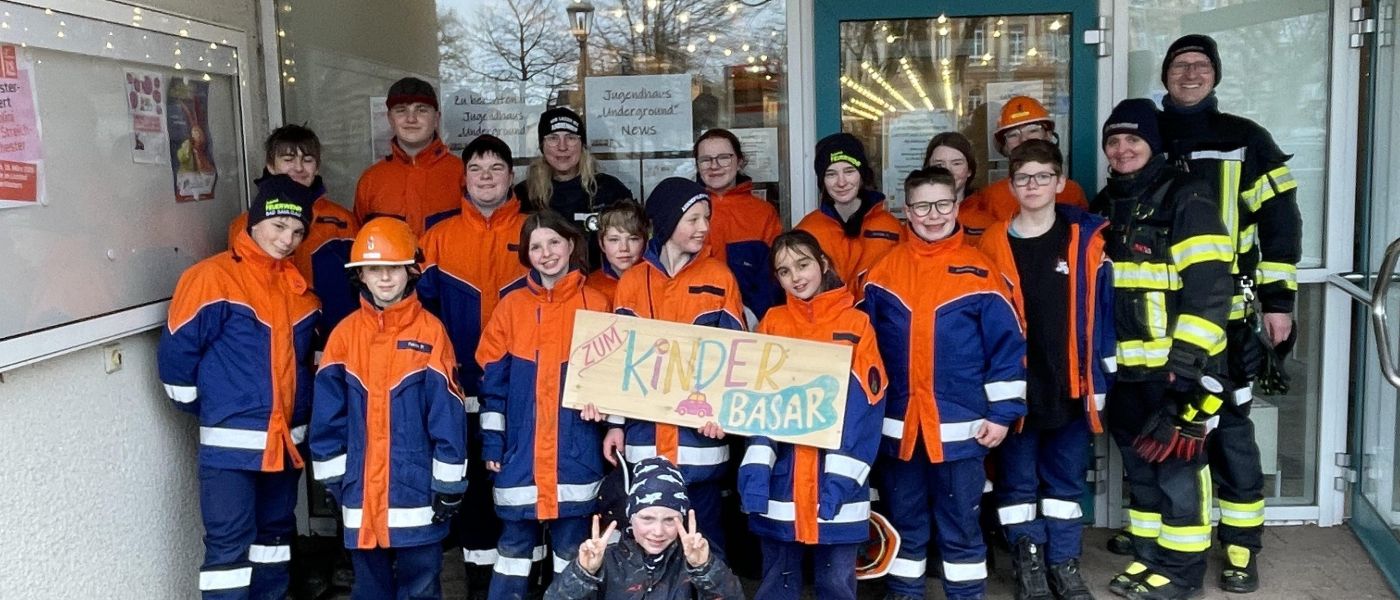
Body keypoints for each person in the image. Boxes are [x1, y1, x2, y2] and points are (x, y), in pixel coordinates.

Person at [1155, 34, 1303, 594]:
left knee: (1229, 431)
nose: (1189, 74)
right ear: (1165, 75)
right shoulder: (1148, 135)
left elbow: (1280, 223)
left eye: (1200, 67)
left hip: (1227, 312)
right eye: (1179, 66)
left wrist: (1278, 302)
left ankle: (1241, 543)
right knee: (1168, 426)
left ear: (1214, 76)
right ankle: (1167, 533)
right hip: (1159, 316)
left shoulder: (1246, 138)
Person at [862, 166, 1028, 600]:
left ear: (957, 205)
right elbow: (861, 352)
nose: (932, 215)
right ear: (906, 210)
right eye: (922, 206)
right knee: (905, 526)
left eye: (942, 204)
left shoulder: (980, 271)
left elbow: (1007, 349)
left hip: (962, 431)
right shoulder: (882, 272)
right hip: (898, 432)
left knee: (961, 529)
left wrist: (1003, 414)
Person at [158, 174, 321, 599]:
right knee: (228, 549)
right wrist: (213, 406)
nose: (288, 239)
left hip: (285, 443)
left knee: (274, 541)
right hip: (231, 445)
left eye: (298, 231)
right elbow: (177, 360)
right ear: (254, 222)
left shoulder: (301, 293)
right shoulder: (210, 278)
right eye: (279, 226)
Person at [1095, 98, 1233, 600]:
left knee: (1180, 473)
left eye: (1133, 139)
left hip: (1177, 372)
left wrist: (1188, 365)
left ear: (1152, 144)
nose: (1123, 148)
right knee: (1141, 471)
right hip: (1126, 374)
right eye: (1114, 140)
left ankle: (1182, 574)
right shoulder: (1103, 205)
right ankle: (1149, 560)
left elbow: (1211, 289)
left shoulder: (1187, 197)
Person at [976, 139, 1115, 600]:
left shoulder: (1084, 240)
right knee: (1016, 483)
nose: (1032, 185)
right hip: (1016, 385)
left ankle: (1064, 563)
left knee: (1065, 481)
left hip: (1069, 383)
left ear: (1059, 182)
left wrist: (1100, 377)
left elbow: (1105, 313)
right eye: (1022, 177)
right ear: (1010, 185)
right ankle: (1029, 562)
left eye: (1042, 176)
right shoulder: (993, 242)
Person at [310, 217, 468, 600]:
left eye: (394, 268)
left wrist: (448, 485)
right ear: (359, 275)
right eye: (375, 269)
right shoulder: (344, 335)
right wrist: (333, 482)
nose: (385, 279)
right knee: (369, 590)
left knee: (422, 588)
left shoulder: (430, 332)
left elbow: (448, 417)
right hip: (361, 494)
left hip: (415, 494)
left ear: (410, 271)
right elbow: (327, 419)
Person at [739, 230, 887, 600]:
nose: (796, 277)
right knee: (777, 582)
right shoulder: (773, 323)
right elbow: (757, 407)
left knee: (837, 584)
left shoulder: (855, 325)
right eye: (785, 271)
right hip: (782, 484)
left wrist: (839, 484)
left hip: (835, 483)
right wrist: (756, 479)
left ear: (823, 263)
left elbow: (864, 413)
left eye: (803, 264)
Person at [477, 211, 612, 600]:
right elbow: (493, 386)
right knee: (514, 551)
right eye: (535, 246)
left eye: (554, 242)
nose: (546, 252)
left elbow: (614, 381)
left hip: (576, 453)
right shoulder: (510, 307)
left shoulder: (597, 303)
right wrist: (491, 444)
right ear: (526, 255)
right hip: (521, 457)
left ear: (572, 244)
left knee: (572, 551)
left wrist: (606, 413)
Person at [416, 134, 530, 595]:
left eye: (496, 168)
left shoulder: (532, 231)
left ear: (511, 176)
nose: (486, 177)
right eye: (477, 169)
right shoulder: (439, 235)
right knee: (474, 487)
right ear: (463, 179)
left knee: (518, 479)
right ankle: (480, 582)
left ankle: (527, 576)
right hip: (461, 384)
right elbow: (417, 311)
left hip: (519, 384)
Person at [609, 177, 746, 556]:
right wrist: (616, 425)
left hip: (699, 442)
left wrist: (725, 412)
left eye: (707, 218)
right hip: (644, 438)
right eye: (694, 219)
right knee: (646, 544)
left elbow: (739, 358)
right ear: (668, 221)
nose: (703, 227)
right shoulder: (633, 282)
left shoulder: (719, 277)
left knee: (704, 541)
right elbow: (618, 362)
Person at [546, 457, 745, 599]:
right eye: (647, 518)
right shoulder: (605, 561)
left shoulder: (695, 562)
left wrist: (706, 569)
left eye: (669, 520)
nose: (658, 531)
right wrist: (582, 573)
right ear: (630, 517)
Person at [229, 124, 360, 338]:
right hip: (273, 335)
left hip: (336, 336)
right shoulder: (247, 224)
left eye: (307, 160)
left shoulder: (342, 221)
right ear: (271, 165)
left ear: (317, 167)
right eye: (288, 159)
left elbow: (361, 282)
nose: (298, 168)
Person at [514, 107, 632, 268]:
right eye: (553, 138)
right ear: (542, 145)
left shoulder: (609, 190)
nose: (562, 147)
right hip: (545, 287)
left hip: (599, 286)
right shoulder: (525, 194)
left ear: (582, 145)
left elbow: (633, 242)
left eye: (571, 138)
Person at [795, 133, 902, 299]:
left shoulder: (891, 227)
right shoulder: (806, 230)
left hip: (879, 322)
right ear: (822, 181)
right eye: (831, 174)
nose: (841, 182)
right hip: (827, 322)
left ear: (862, 175)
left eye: (849, 171)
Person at [355, 77, 464, 235]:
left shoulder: (462, 175)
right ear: (390, 120)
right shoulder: (371, 180)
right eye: (401, 110)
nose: (411, 119)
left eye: (421, 110)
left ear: (436, 119)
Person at [695, 128, 783, 321]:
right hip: (693, 319)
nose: (714, 166)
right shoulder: (683, 211)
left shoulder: (763, 213)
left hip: (750, 322)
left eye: (724, 157)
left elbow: (774, 275)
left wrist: (754, 317)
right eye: (706, 159)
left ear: (740, 161)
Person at [963, 96, 1089, 230]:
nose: (1023, 139)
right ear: (1004, 146)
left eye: (1033, 130)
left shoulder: (1072, 192)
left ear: (1048, 135)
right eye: (1013, 135)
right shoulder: (991, 197)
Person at [923, 131, 989, 242]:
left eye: (956, 163)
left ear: (969, 170)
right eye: (939, 164)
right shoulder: (917, 219)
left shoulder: (986, 220)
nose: (948, 171)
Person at [585, 200, 648, 301]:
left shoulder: (657, 281)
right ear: (601, 244)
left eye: (633, 239)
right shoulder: (590, 286)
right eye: (614, 240)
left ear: (645, 241)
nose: (624, 248)